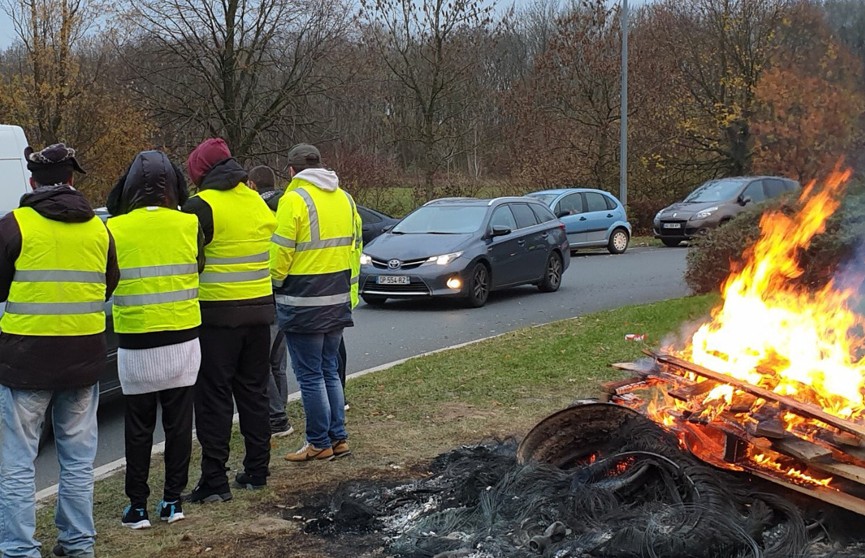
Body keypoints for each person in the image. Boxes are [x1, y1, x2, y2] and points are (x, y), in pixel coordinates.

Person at [0, 143, 119, 558]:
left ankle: (18, 549)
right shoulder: (98, 229)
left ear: (32, 182)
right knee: (78, 460)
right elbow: (108, 284)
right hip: (84, 362)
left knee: (16, 462)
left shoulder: (14, 226)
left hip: (25, 363)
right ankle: (77, 542)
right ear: (71, 180)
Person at [105, 151, 205, 528]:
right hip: (182, 338)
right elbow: (198, 265)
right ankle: (172, 502)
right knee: (180, 425)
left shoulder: (114, 228)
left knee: (138, 428)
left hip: (136, 341)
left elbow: (107, 282)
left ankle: (137, 507)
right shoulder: (189, 223)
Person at [182, 138, 277, 500]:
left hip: (216, 317)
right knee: (254, 394)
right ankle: (257, 470)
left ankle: (214, 481)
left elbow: (190, 258)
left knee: (214, 400)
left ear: (200, 174)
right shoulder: (255, 200)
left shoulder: (200, 207)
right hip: (259, 314)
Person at [270, 143, 360, 462]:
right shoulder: (345, 199)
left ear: (292, 171)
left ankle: (318, 442)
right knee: (330, 371)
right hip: (336, 297)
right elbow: (353, 246)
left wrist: (275, 283)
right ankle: (339, 439)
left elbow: (281, 252)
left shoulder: (293, 199)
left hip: (303, 299)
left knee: (310, 375)